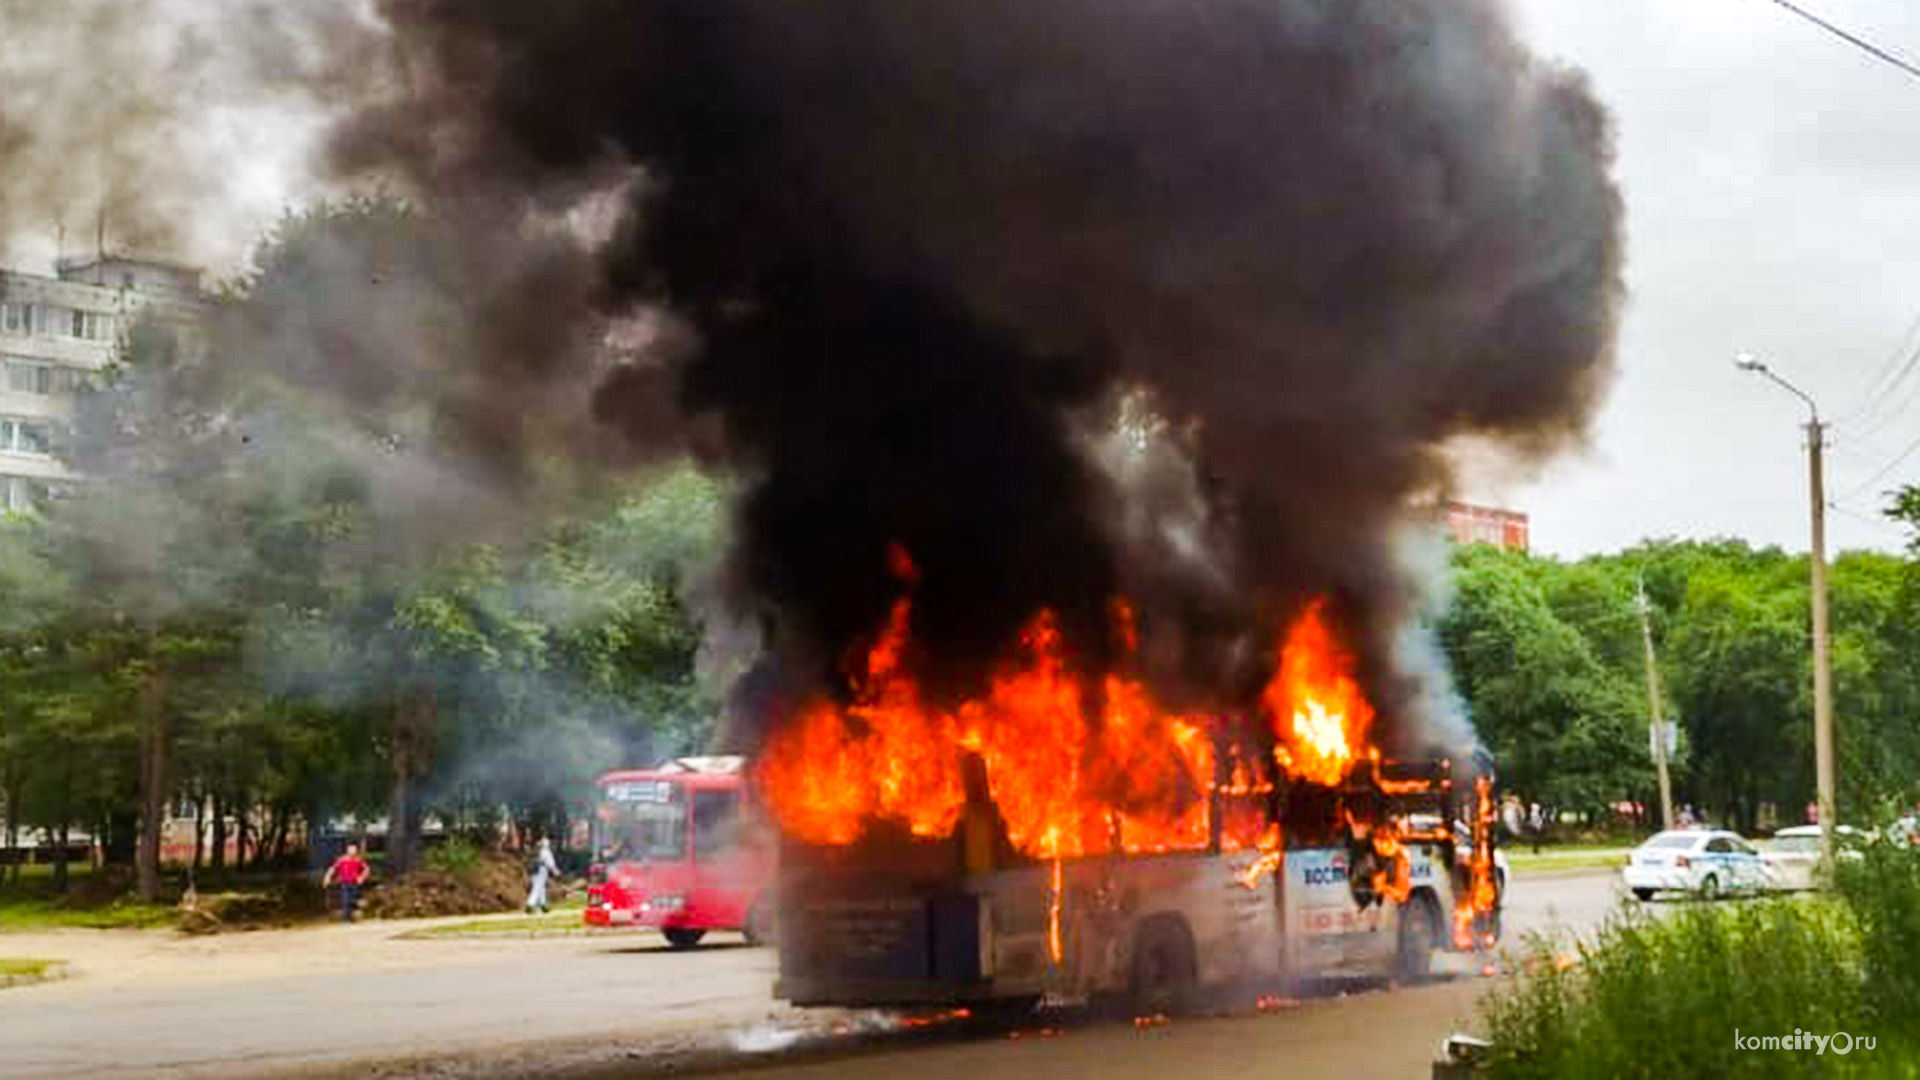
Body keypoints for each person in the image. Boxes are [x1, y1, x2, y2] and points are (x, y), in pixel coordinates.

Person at [322, 843, 370, 923]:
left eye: (354, 850)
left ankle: (355, 908)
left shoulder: (358, 860)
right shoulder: (342, 859)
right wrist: (327, 878)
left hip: (354, 882)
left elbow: (366, 869)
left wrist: (362, 877)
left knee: (353, 898)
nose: (353, 852)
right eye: (351, 850)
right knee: (346, 900)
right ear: (347, 851)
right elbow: (333, 868)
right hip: (344, 882)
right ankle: (347, 918)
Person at [525, 838, 560, 914]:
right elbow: (550, 863)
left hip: (534, 870)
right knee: (537, 888)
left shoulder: (537, 851)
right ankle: (530, 904)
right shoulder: (546, 852)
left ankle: (543, 905)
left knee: (541, 888)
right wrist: (555, 870)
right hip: (542, 870)